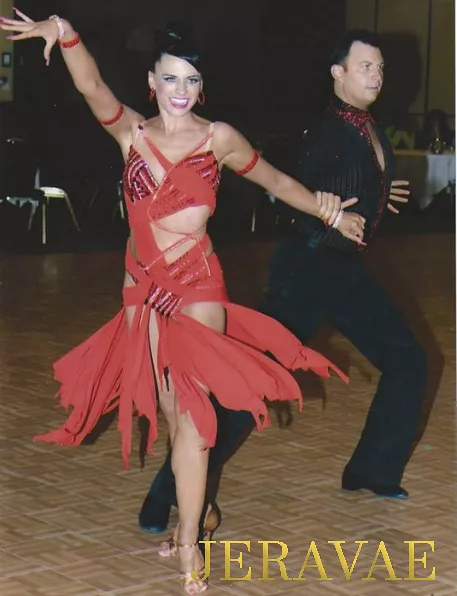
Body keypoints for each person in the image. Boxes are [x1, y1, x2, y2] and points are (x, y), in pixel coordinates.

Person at [1, 10, 365, 594]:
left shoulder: (218, 138)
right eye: (170, 79)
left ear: (202, 86)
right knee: (171, 417)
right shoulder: (130, 134)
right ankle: (192, 517)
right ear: (152, 83)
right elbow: (91, 84)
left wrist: (330, 211)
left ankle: (190, 543)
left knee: (195, 424)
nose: (181, 90)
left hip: (197, 287)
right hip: (140, 289)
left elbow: (274, 180)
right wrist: (64, 33)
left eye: (191, 80)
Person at [261, 29, 427, 500]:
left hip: (344, 269)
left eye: (379, 67)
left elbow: (354, 178)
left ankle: (372, 471)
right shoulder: (328, 129)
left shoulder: (365, 124)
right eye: (365, 66)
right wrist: (328, 217)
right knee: (255, 376)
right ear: (338, 72)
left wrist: (377, 190)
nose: (376, 75)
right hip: (306, 268)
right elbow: (282, 197)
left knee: (408, 361)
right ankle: (172, 489)